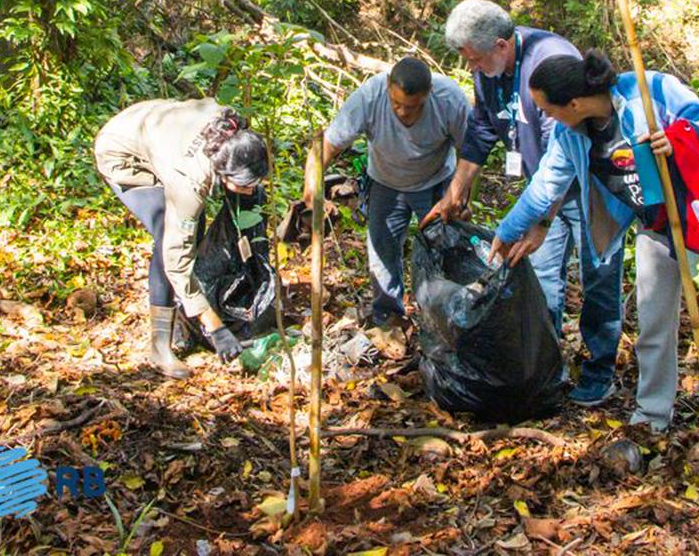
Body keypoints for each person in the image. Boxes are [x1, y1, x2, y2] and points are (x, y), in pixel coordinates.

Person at [489, 50, 699, 449]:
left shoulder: (651, 90)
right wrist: (507, 229)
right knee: (653, 327)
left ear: (573, 104)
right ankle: (651, 418)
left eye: (548, 108)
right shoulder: (569, 135)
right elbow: (545, 187)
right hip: (657, 226)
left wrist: (678, 139)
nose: (548, 117)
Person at [422, 0, 626, 406]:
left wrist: (541, 221)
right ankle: (543, 369)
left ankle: (599, 371)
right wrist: (457, 188)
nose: (471, 68)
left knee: (598, 282)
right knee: (541, 283)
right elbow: (482, 128)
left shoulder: (548, 63)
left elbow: (561, 155)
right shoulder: (491, 70)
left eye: (475, 59)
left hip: (591, 190)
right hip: (543, 190)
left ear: (500, 44)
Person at [95, 98, 270, 379]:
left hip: (155, 129)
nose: (250, 190)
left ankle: (186, 309)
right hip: (122, 154)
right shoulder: (189, 180)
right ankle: (160, 346)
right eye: (243, 184)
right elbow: (176, 259)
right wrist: (215, 326)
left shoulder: (233, 131)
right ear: (222, 172)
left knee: (198, 223)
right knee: (168, 233)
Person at [305, 57, 470, 328]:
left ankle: (450, 318)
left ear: (428, 95)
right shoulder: (368, 98)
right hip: (385, 182)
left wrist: (460, 196)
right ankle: (388, 317)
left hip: (437, 181)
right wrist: (311, 192)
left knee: (447, 249)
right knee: (382, 249)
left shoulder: (449, 99)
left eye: (412, 106)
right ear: (387, 88)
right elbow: (326, 147)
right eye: (397, 104)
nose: (404, 112)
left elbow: (471, 152)